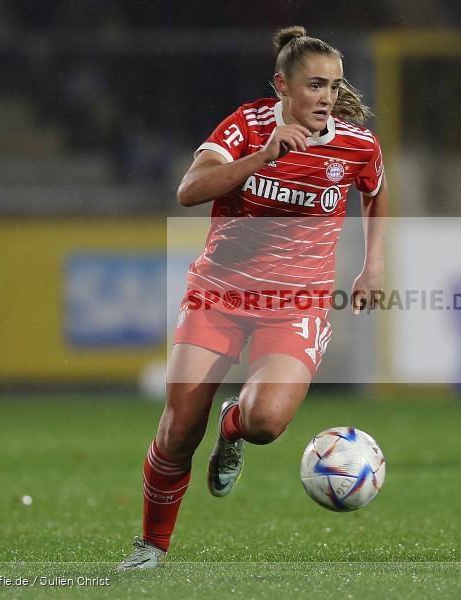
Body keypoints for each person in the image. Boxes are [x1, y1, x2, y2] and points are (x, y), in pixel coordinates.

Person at [118, 25, 388, 570]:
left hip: (297, 304)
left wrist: (372, 266)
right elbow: (189, 191)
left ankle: (233, 427)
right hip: (218, 294)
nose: (327, 98)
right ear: (282, 87)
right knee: (177, 430)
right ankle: (151, 546)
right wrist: (261, 157)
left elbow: (376, 191)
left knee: (264, 422)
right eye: (315, 86)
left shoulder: (355, 144)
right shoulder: (247, 126)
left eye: (334, 87)